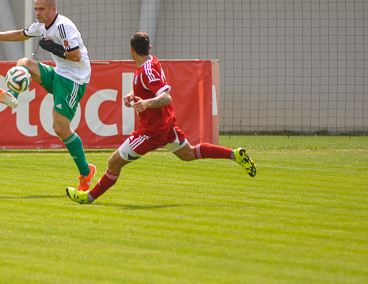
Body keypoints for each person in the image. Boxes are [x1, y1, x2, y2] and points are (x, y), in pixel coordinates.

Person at [66, 31, 256, 204]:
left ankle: (88, 197)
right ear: (149, 48)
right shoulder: (151, 62)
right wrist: (135, 94)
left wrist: (147, 103)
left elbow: (166, 97)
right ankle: (234, 154)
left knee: (113, 162)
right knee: (188, 154)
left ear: (131, 50)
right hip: (166, 125)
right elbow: (151, 88)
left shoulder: (147, 70)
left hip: (152, 130)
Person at [0, 0, 96, 191]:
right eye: (36, 9)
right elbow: (20, 34)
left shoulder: (64, 26)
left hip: (74, 80)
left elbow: (75, 56)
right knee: (24, 63)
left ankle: (85, 172)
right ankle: (13, 94)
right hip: (59, 73)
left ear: (53, 9)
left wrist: (53, 48)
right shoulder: (40, 25)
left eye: (41, 9)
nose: (37, 13)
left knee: (60, 128)